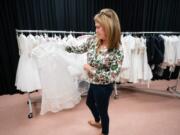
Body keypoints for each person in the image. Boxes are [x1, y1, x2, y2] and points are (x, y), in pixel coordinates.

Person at [66, 8, 123, 135]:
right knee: (89, 102)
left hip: (104, 87)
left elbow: (112, 76)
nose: (96, 30)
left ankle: (105, 131)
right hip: (93, 81)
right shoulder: (94, 40)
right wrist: (64, 48)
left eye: (99, 27)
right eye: (95, 27)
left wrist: (91, 69)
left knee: (103, 111)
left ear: (110, 28)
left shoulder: (117, 51)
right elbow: (80, 49)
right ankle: (98, 121)